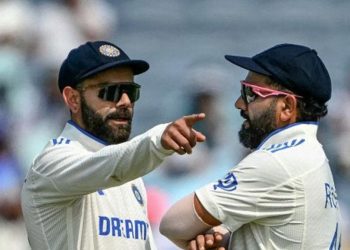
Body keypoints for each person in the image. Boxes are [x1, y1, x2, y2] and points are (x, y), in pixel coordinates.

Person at [21, 40, 206, 250]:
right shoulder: (52, 163)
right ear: (73, 99)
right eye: (110, 91)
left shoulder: (132, 175)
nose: (125, 101)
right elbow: (109, 164)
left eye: (131, 90)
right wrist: (157, 140)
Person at [160, 43, 342, 249]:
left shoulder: (277, 162)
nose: (239, 103)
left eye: (251, 94)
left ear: (287, 107)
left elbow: (173, 223)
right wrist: (229, 242)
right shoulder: (313, 155)